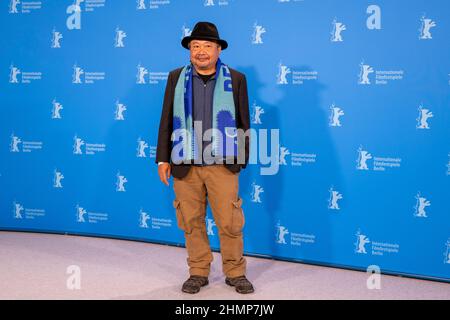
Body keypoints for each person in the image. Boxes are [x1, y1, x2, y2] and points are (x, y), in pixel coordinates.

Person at [155, 21, 253, 294]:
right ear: (189, 51)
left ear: (218, 49)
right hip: (184, 163)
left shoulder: (236, 79)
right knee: (190, 220)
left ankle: (235, 272)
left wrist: (240, 159)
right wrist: (163, 159)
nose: (200, 51)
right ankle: (198, 271)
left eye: (207, 46)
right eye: (195, 46)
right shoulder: (176, 78)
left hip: (222, 163)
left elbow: (244, 122)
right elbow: (166, 120)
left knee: (229, 222)